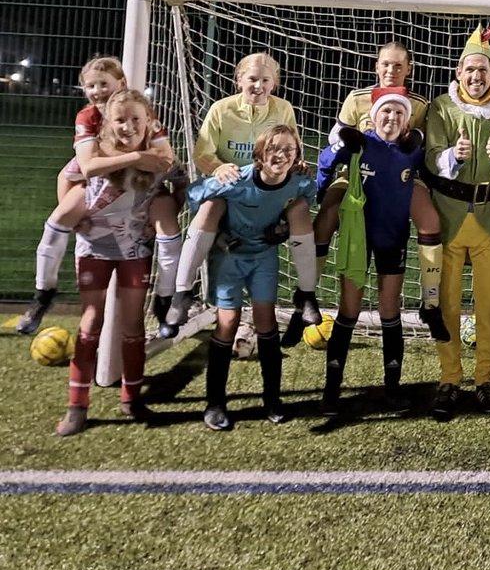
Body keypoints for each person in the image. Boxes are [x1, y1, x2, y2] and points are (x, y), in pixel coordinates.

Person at [54, 90, 186, 436]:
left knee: (133, 326)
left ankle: (132, 398)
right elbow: (66, 176)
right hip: (94, 248)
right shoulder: (97, 155)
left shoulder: (159, 159)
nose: (128, 126)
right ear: (109, 124)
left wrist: (167, 208)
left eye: (136, 120)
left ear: (149, 123)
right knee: (90, 323)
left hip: (133, 252)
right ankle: (77, 406)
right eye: (120, 120)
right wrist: (77, 215)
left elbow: (182, 179)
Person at [20, 57, 180, 337]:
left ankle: (165, 301)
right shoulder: (87, 116)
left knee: (168, 226)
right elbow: (85, 168)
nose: (97, 91)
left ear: (121, 84)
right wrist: (138, 156)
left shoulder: (144, 113)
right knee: (59, 219)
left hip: (142, 188)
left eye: (103, 84)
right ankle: (43, 294)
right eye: (90, 86)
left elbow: (165, 161)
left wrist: (140, 163)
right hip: (98, 185)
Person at [166, 52, 320, 329]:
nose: (258, 86)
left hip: (270, 189)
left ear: (275, 83)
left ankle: (306, 294)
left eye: (265, 80)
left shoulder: (283, 108)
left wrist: (299, 164)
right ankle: (182, 293)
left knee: (299, 210)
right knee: (209, 208)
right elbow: (202, 153)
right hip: (232, 190)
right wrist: (217, 168)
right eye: (252, 79)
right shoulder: (221, 110)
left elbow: (291, 144)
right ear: (239, 80)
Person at [310, 41, 448, 342]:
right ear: (376, 66)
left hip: (402, 174)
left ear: (409, 69)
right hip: (358, 173)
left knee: (430, 220)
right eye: (386, 64)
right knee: (327, 214)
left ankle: (431, 303)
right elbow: (336, 136)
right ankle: (307, 294)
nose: (391, 70)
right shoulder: (356, 98)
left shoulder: (421, 104)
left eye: (399, 65)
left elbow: (426, 143)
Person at [423, 25, 490, 421]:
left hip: (488, 220)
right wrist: (455, 155)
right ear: (458, 73)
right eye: (470, 70)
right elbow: (431, 158)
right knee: (445, 303)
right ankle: (450, 378)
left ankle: (485, 378)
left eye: (484, 70)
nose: (477, 76)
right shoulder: (441, 107)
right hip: (447, 217)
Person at [188, 124, 317, 431]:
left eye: (289, 149)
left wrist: (285, 225)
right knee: (228, 322)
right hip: (230, 257)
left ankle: (272, 399)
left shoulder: (297, 183)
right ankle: (215, 403)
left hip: (263, 258)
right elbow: (194, 196)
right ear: (259, 154)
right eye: (274, 148)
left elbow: (308, 196)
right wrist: (218, 232)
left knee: (265, 320)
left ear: (297, 154)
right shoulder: (237, 181)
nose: (281, 155)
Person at [316, 89, 427, 414]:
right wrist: (337, 150)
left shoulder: (412, 151)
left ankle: (392, 390)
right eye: (385, 112)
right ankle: (331, 391)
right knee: (349, 309)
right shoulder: (360, 144)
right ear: (373, 116)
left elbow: (436, 165)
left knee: (389, 310)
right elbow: (326, 162)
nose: (391, 118)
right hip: (357, 239)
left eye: (398, 114)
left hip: (392, 238)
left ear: (406, 121)